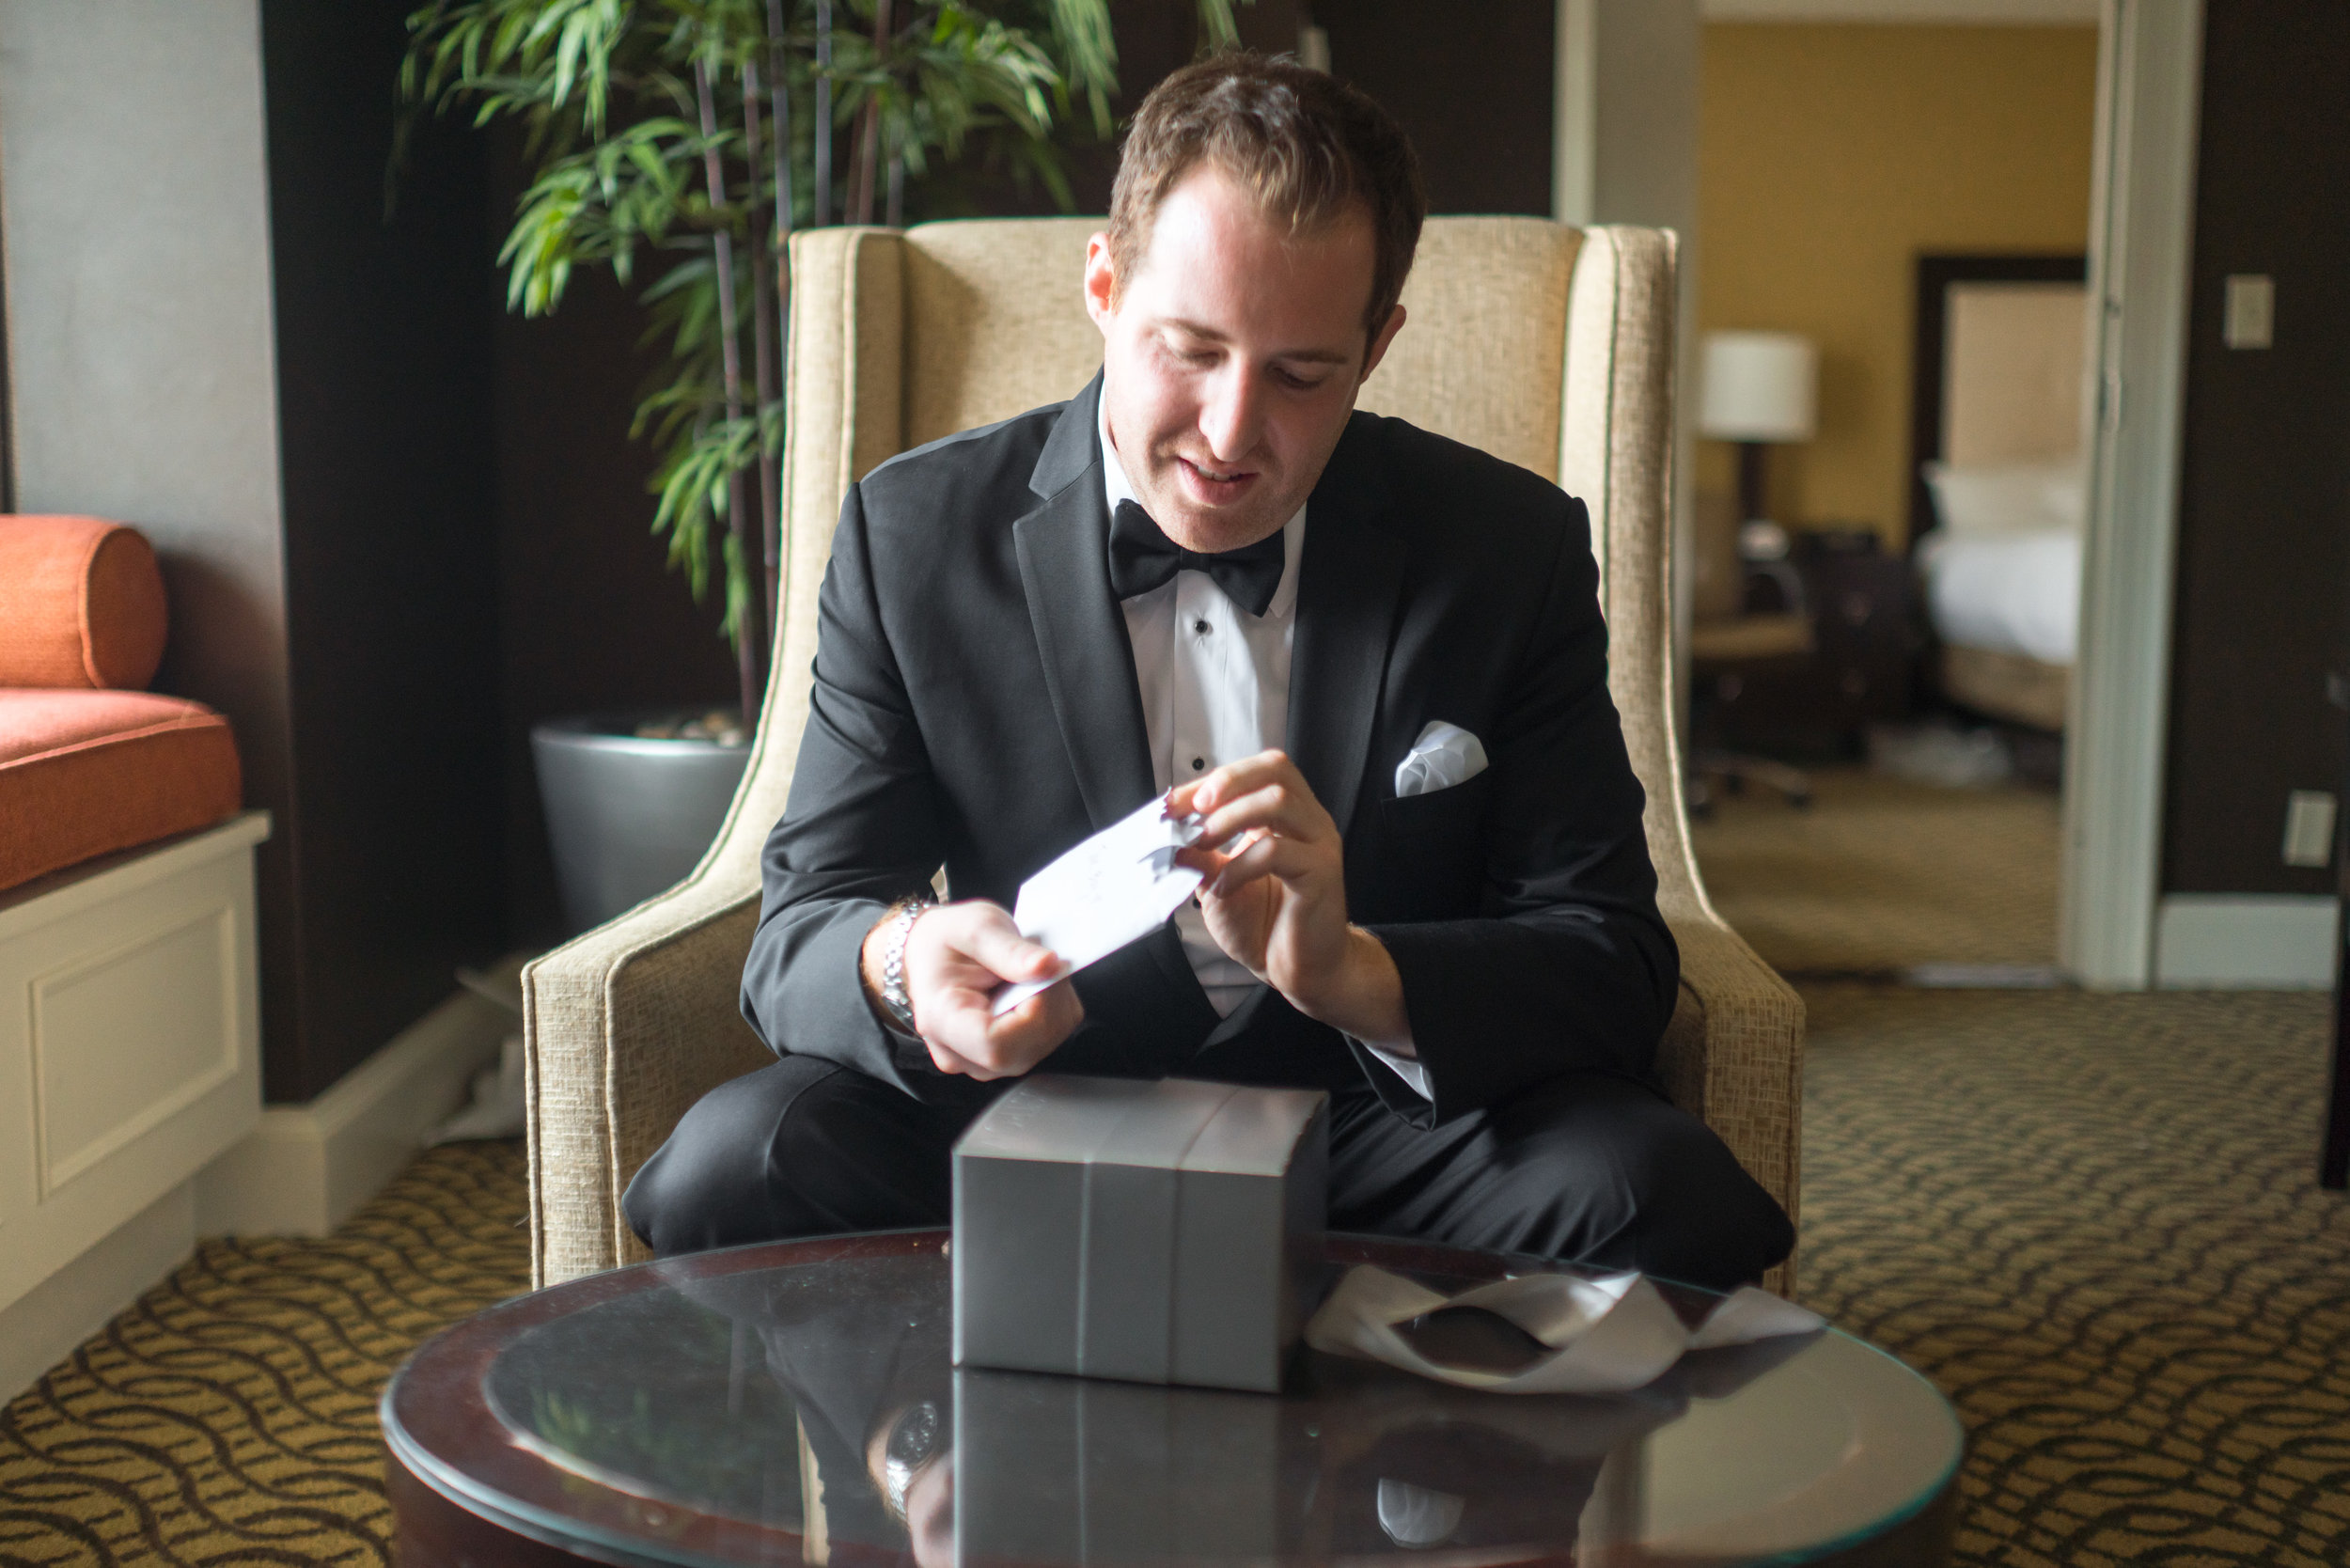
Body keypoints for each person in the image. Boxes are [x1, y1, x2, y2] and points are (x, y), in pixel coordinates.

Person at [624, 52, 1793, 1292]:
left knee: (1655, 1196)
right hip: (1024, 1113)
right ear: (1103, 283)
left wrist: (1356, 970)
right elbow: (800, 926)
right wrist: (909, 965)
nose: (1232, 436)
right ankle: (911, 1471)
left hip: (1372, 1123)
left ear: (1378, 343)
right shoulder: (915, 534)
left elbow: (1610, 956)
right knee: (735, 1164)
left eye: (1302, 374)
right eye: (1188, 351)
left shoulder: (1509, 548)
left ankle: (1431, 1486)